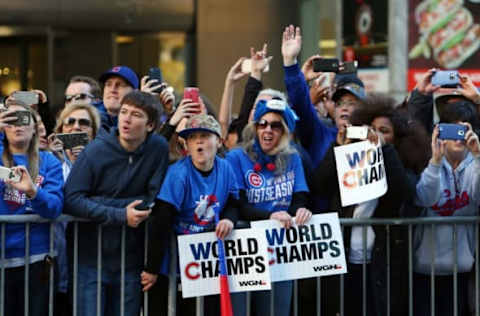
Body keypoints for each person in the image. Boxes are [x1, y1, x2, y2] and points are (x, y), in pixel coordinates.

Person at [64, 91, 169, 316]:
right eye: (123, 112)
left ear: (150, 125)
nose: (126, 119)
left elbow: (152, 199)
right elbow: (71, 200)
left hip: (130, 260)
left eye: (135, 115)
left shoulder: (158, 147)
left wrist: (102, 204)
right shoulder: (95, 150)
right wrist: (120, 214)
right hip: (89, 260)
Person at [311, 100, 413, 315]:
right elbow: (320, 184)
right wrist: (338, 147)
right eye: (372, 130)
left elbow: (403, 191)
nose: (375, 135)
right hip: (346, 257)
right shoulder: (349, 159)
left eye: (384, 131)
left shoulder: (398, 163)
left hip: (379, 261)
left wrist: (384, 149)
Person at [142, 113, 239, 315]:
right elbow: (161, 219)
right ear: (186, 146)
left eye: (205, 135)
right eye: (193, 138)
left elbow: (234, 201)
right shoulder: (179, 174)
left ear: (219, 142)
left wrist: (229, 219)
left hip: (206, 263)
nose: (198, 142)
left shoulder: (226, 168)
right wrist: (151, 269)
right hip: (173, 263)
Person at [226, 98, 312, 316]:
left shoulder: (293, 158)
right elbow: (238, 205)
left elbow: (300, 197)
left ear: (285, 132)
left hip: (279, 252)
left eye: (275, 125)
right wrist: (270, 215)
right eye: (262, 124)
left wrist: (301, 211)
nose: (267, 130)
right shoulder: (237, 156)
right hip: (244, 252)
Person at [413, 101, 480, 316]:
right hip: (424, 266)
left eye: (464, 129)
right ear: (440, 131)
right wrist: (435, 161)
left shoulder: (474, 165)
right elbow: (425, 198)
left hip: (461, 266)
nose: (458, 136)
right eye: (453, 129)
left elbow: (478, 196)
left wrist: (478, 157)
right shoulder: (430, 162)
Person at [0, 101, 64, 316]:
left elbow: (55, 207)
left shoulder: (49, 162)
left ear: (35, 127)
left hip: (37, 259)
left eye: (23, 120)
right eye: (10, 121)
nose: (17, 125)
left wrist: (34, 192)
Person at [48, 103, 101, 178]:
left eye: (84, 122)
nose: (76, 127)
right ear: (61, 129)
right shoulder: (48, 158)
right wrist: (55, 161)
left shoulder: (102, 161)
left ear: (94, 132)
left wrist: (85, 162)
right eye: (70, 122)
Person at [97, 65, 139, 132]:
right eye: (108, 84)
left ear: (135, 93)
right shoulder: (86, 117)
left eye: (120, 85)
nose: (112, 90)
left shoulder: (143, 123)